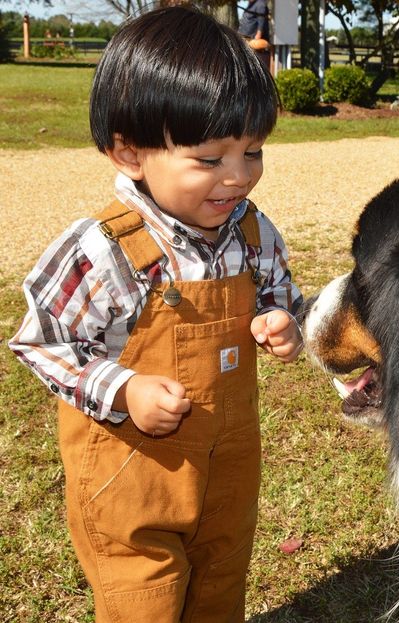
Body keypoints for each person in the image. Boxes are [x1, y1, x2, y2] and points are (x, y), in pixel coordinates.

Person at [9, 6, 303, 622]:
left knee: (221, 581)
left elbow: (281, 294)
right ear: (129, 152)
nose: (238, 177)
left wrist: (282, 322)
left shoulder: (253, 234)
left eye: (252, 152)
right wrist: (124, 387)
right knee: (145, 601)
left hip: (227, 470)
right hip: (131, 481)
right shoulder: (105, 248)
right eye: (209, 159)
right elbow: (41, 341)